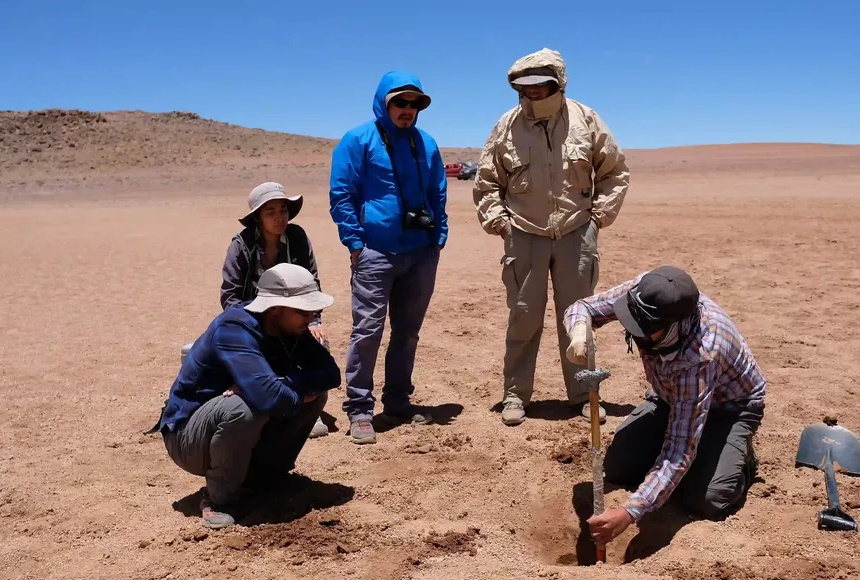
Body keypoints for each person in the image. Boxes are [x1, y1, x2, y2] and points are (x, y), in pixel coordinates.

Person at [472, 47, 630, 427]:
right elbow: (487, 182)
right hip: (524, 234)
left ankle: (582, 395)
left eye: (541, 84)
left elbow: (614, 172)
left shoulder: (585, 119)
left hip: (576, 232)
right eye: (525, 86)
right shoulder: (507, 125)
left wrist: (597, 219)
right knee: (523, 318)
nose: (534, 92)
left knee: (577, 319)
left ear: (556, 82)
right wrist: (501, 224)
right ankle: (514, 395)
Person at [562, 266, 767, 548]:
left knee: (708, 498)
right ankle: (691, 459)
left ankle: (739, 459)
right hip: (671, 397)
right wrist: (579, 329)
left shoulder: (700, 355)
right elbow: (584, 307)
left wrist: (629, 513)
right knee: (619, 467)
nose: (635, 335)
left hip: (729, 409)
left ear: (675, 327)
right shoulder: (647, 294)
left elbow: (679, 451)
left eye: (646, 332)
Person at [158, 264, 341, 529]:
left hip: (222, 426)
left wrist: (282, 382)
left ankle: (266, 478)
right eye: (303, 310)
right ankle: (219, 499)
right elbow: (270, 399)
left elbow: (330, 375)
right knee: (243, 408)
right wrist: (276, 390)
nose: (311, 317)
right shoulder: (233, 328)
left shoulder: (288, 328)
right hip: (187, 438)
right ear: (275, 308)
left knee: (313, 395)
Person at [329, 71, 449, 444]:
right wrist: (355, 244)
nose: (407, 109)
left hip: (420, 254)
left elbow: (438, 193)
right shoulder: (358, 140)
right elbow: (341, 194)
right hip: (376, 253)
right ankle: (360, 410)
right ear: (384, 102)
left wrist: (437, 238)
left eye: (414, 104)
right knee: (367, 331)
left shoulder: (425, 144)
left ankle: (397, 401)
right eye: (400, 102)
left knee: (408, 333)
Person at [220, 181, 331, 438]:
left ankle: (307, 410)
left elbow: (311, 281)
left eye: (283, 210)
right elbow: (230, 296)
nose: (280, 217)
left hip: (292, 317)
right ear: (258, 217)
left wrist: (314, 321)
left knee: (316, 345)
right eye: (271, 212)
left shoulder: (297, 238)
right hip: (253, 319)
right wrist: (252, 326)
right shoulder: (242, 245)